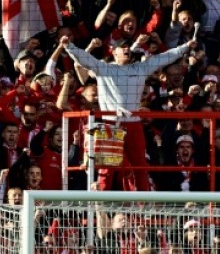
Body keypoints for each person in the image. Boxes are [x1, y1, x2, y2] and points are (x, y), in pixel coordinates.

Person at [60, 34, 195, 191]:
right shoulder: (103, 68)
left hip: (133, 124)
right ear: (113, 52)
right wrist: (68, 46)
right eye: (122, 46)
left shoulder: (140, 68)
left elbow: (164, 57)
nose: (126, 49)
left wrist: (185, 47)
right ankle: (101, 206)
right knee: (107, 168)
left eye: (128, 47)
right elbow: (84, 58)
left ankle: (143, 205)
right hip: (111, 124)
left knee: (140, 166)